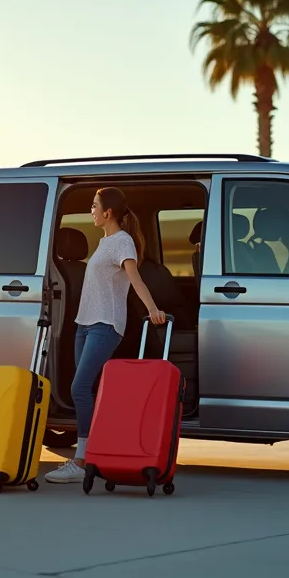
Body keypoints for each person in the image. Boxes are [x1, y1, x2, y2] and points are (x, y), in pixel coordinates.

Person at [45, 187, 167, 484]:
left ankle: (82, 459)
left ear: (107, 212)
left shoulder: (122, 242)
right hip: (85, 324)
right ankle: (99, 452)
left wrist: (153, 309)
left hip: (106, 325)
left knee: (79, 387)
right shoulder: (105, 242)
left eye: (94, 206)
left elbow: (135, 278)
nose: (92, 210)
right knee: (86, 391)